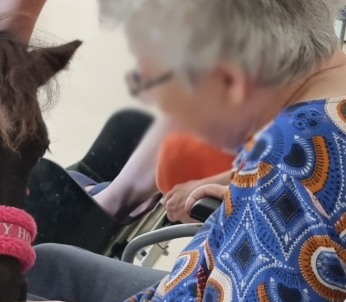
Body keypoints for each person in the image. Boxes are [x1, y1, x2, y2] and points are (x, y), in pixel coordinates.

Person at [28, 0, 346, 301]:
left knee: (34, 276)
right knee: (50, 264)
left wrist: (269, 196)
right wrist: (248, 197)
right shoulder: (324, 110)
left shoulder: (289, 161)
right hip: (214, 270)